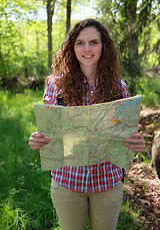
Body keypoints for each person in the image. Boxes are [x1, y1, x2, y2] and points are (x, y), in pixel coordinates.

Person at [29, 19, 145, 230]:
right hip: (67, 182)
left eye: (94, 42)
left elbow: (125, 138)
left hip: (108, 183)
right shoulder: (56, 85)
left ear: (104, 46)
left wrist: (135, 143)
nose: (87, 49)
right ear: (72, 48)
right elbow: (48, 134)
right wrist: (38, 140)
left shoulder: (119, 88)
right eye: (80, 43)